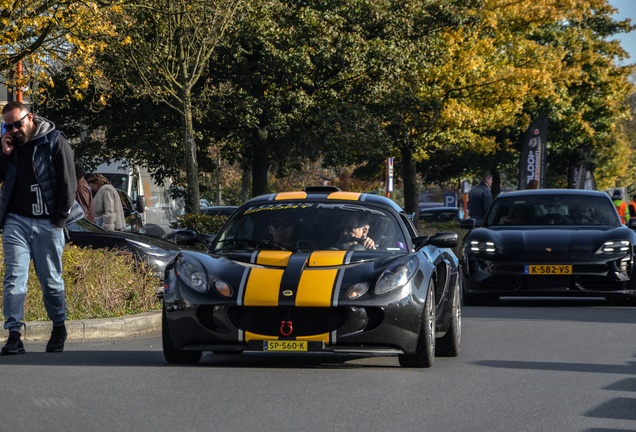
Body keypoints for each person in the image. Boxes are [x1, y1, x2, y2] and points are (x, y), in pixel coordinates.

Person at [0, 101, 77, 355]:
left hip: (48, 222)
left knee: (51, 281)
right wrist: (5, 153)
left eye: (17, 124)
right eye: (7, 126)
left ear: (30, 118)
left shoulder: (54, 140)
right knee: (14, 278)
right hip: (16, 221)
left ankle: (58, 326)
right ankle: (13, 334)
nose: (13, 130)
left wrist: (59, 221)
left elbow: (69, 182)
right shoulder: (9, 145)